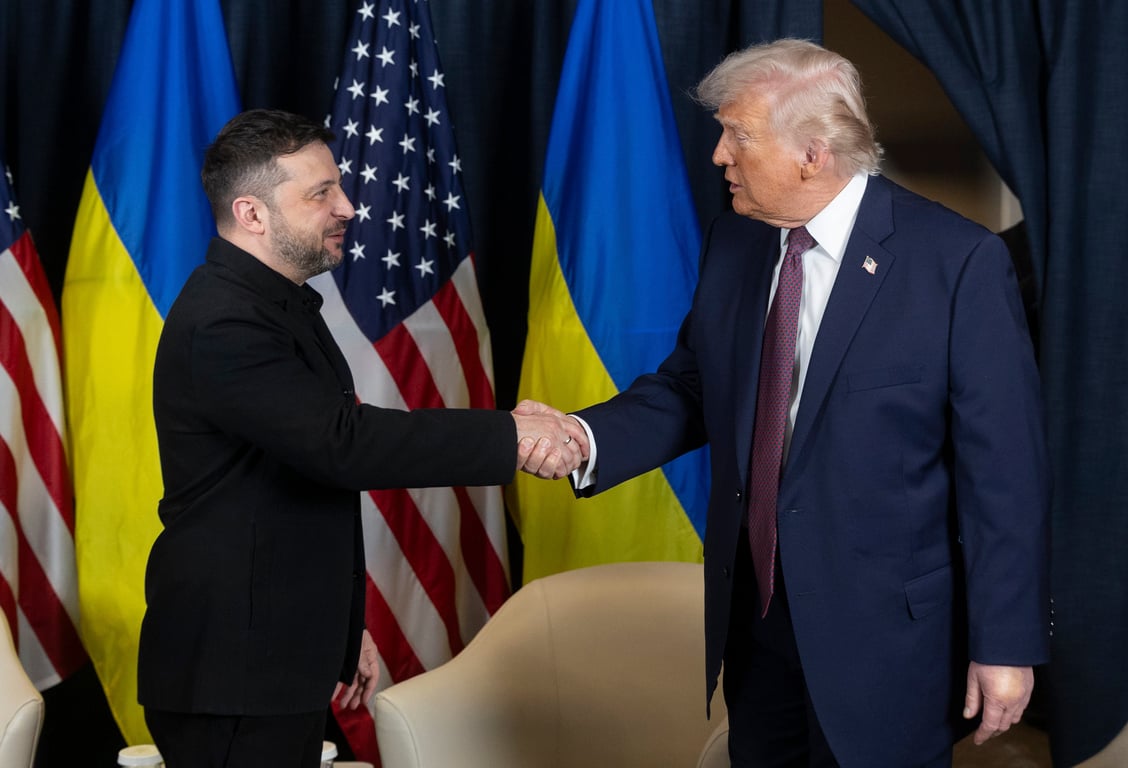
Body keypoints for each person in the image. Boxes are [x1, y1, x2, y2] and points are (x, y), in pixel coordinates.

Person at [520, 39, 1050, 767]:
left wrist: (1006, 646)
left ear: (812, 153)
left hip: (888, 649)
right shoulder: (735, 242)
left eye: (737, 134)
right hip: (757, 628)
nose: (717, 155)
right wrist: (585, 438)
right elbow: (693, 387)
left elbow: (1005, 479)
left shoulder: (957, 264)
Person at [137, 108, 587, 768]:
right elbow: (342, 445)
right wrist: (511, 436)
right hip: (231, 670)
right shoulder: (225, 323)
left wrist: (342, 630)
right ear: (253, 214)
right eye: (321, 194)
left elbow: (289, 492)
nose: (347, 206)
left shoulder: (273, 303)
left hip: (267, 654)